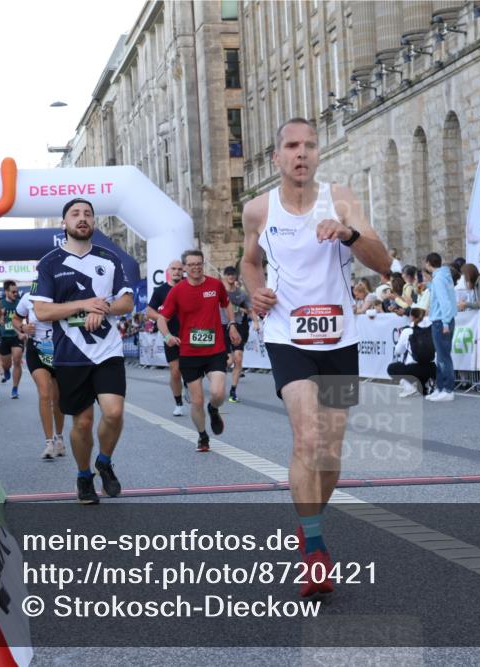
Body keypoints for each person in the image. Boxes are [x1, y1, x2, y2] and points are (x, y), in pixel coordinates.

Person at [240, 117, 392, 598]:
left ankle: (309, 522)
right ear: (276, 157)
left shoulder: (340, 199)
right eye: (291, 145)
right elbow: (249, 261)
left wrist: (349, 235)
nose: (301, 153)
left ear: (319, 153)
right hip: (288, 336)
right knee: (307, 438)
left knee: (329, 453)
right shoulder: (258, 210)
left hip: (339, 339)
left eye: (308, 145)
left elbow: (384, 262)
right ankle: (315, 548)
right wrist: (255, 291)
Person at [31, 198, 133, 505]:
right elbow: (42, 311)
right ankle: (84, 475)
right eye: (75, 214)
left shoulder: (109, 258)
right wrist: (82, 305)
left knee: (114, 412)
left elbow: (127, 302)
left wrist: (102, 308)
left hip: (107, 350)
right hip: (70, 353)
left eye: (87, 213)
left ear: (93, 222)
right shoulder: (49, 263)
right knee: (83, 422)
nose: (82, 218)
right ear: (64, 223)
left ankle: (104, 461)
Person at [158, 250, 240, 452]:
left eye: (199, 264)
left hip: (215, 350)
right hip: (189, 353)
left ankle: (213, 409)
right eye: (191, 264)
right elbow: (162, 319)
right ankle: (203, 436)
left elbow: (227, 304)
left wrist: (231, 324)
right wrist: (168, 337)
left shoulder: (215, 285)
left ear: (203, 264)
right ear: (185, 268)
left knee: (218, 393)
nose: (195, 267)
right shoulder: (177, 291)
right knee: (196, 401)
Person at [14, 283, 66, 460]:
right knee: (44, 393)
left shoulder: (61, 294)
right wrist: (22, 328)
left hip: (59, 350)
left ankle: (59, 437)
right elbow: (15, 319)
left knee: (57, 397)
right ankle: (49, 443)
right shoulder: (28, 297)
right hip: (36, 350)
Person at [146, 259, 187, 416]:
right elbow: (149, 312)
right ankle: (179, 403)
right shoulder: (160, 291)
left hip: (189, 334)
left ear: (183, 271)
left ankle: (189, 384)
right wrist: (162, 318)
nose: (177, 272)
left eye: (179, 269)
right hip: (170, 335)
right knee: (175, 371)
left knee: (191, 368)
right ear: (168, 271)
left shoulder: (189, 286)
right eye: (173, 269)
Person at [424, 252, 456, 402]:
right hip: (443, 319)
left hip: (440, 321)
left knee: (443, 357)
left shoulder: (438, 279)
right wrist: (429, 285)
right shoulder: (444, 276)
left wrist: (445, 322)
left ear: (428, 263)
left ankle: (448, 389)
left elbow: (444, 301)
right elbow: (444, 296)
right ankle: (441, 387)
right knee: (441, 356)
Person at [388, 303, 435, 397]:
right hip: (433, 368)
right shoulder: (432, 328)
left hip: (415, 369)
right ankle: (428, 384)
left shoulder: (407, 331)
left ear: (411, 316)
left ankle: (409, 387)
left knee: (392, 368)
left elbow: (398, 351)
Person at [220, 266, 252, 403]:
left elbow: (249, 310)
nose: (231, 276)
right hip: (223, 325)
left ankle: (233, 391)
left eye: (233, 274)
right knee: (229, 360)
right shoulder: (220, 292)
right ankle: (212, 372)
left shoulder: (242, 294)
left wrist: (240, 308)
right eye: (228, 274)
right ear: (224, 276)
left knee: (238, 359)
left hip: (238, 326)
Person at [0, 280, 24, 399]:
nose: (16, 294)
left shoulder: (20, 303)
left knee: (17, 359)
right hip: (4, 336)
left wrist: (23, 330)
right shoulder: (0, 304)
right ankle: (6, 369)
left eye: (16, 292)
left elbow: (26, 318)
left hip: (16, 336)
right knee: (6, 363)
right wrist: (1, 318)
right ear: (6, 292)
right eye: (13, 292)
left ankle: (15, 388)